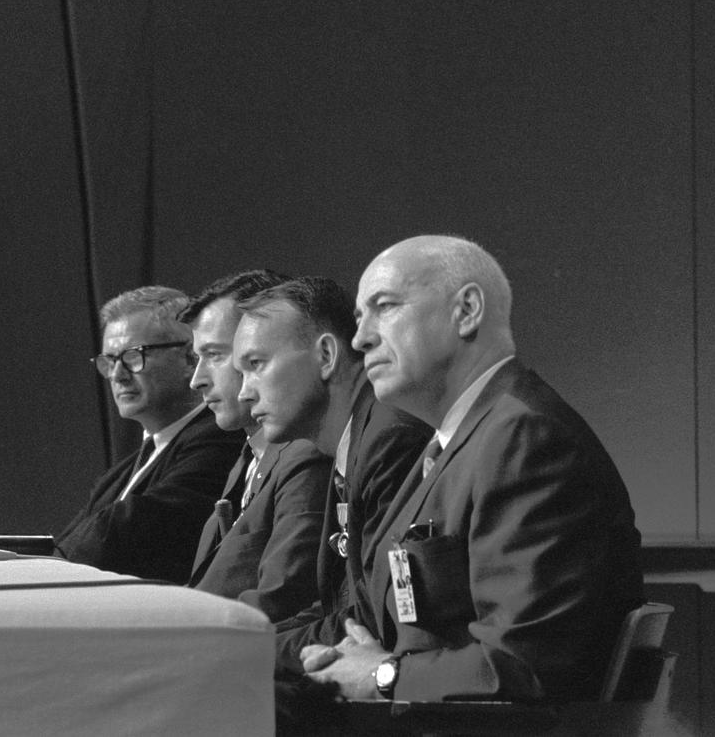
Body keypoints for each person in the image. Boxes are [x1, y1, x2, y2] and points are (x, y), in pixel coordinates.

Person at [300, 235, 643, 703]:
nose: (360, 339)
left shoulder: (524, 438)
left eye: (385, 306)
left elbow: (524, 665)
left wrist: (382, 676)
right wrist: (350, 657)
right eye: (360, 318)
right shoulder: (456, 439)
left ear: (466, 310)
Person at [230, 277, 431, 671]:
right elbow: (336, 608)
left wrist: (245, 654)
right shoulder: (349, 441)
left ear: (325, 355)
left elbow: (374, 620)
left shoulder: (388, 440)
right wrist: (245, 646)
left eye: (256, 366)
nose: (244, 393)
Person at [55, 285, 244, 584]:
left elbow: (118, 533)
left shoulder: (221, 438)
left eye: (132, 356)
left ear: (189, 358)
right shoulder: (123, 471)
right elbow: (61, 548)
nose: (117, 375)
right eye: (109, 361)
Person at [181, 270, 332, 623]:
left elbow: (282, 603)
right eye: (196, 358)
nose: (197, 380)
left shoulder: (305, 456)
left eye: (215, 355)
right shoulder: (247, 458)